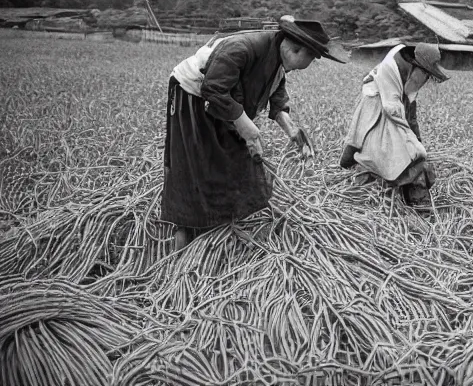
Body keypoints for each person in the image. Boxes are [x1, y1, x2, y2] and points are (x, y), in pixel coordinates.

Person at [163, 15, 343, 250]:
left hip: (223, 100)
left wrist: (292, 129)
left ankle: (220, 218)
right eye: (308, 59)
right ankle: (185, 227)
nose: (298, 70)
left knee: (233, 157)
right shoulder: (243, 48)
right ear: (295, 49)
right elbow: (214, 88)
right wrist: (245, 124)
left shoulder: (277, 53)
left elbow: (276, 87)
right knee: (195, 161)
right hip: (194, 95)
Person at [340, 43, 450, 207]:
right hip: (378, 113)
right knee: (384, 156)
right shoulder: (390, 70)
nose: (426, 80)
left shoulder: (407, 80)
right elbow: (393, 111)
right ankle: (372, 197)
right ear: (416, 67)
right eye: (426, 74)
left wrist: (417, 142)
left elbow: (411, 117)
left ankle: (415, 202)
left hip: (389, 114)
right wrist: (415, 147)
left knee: (411, 156)